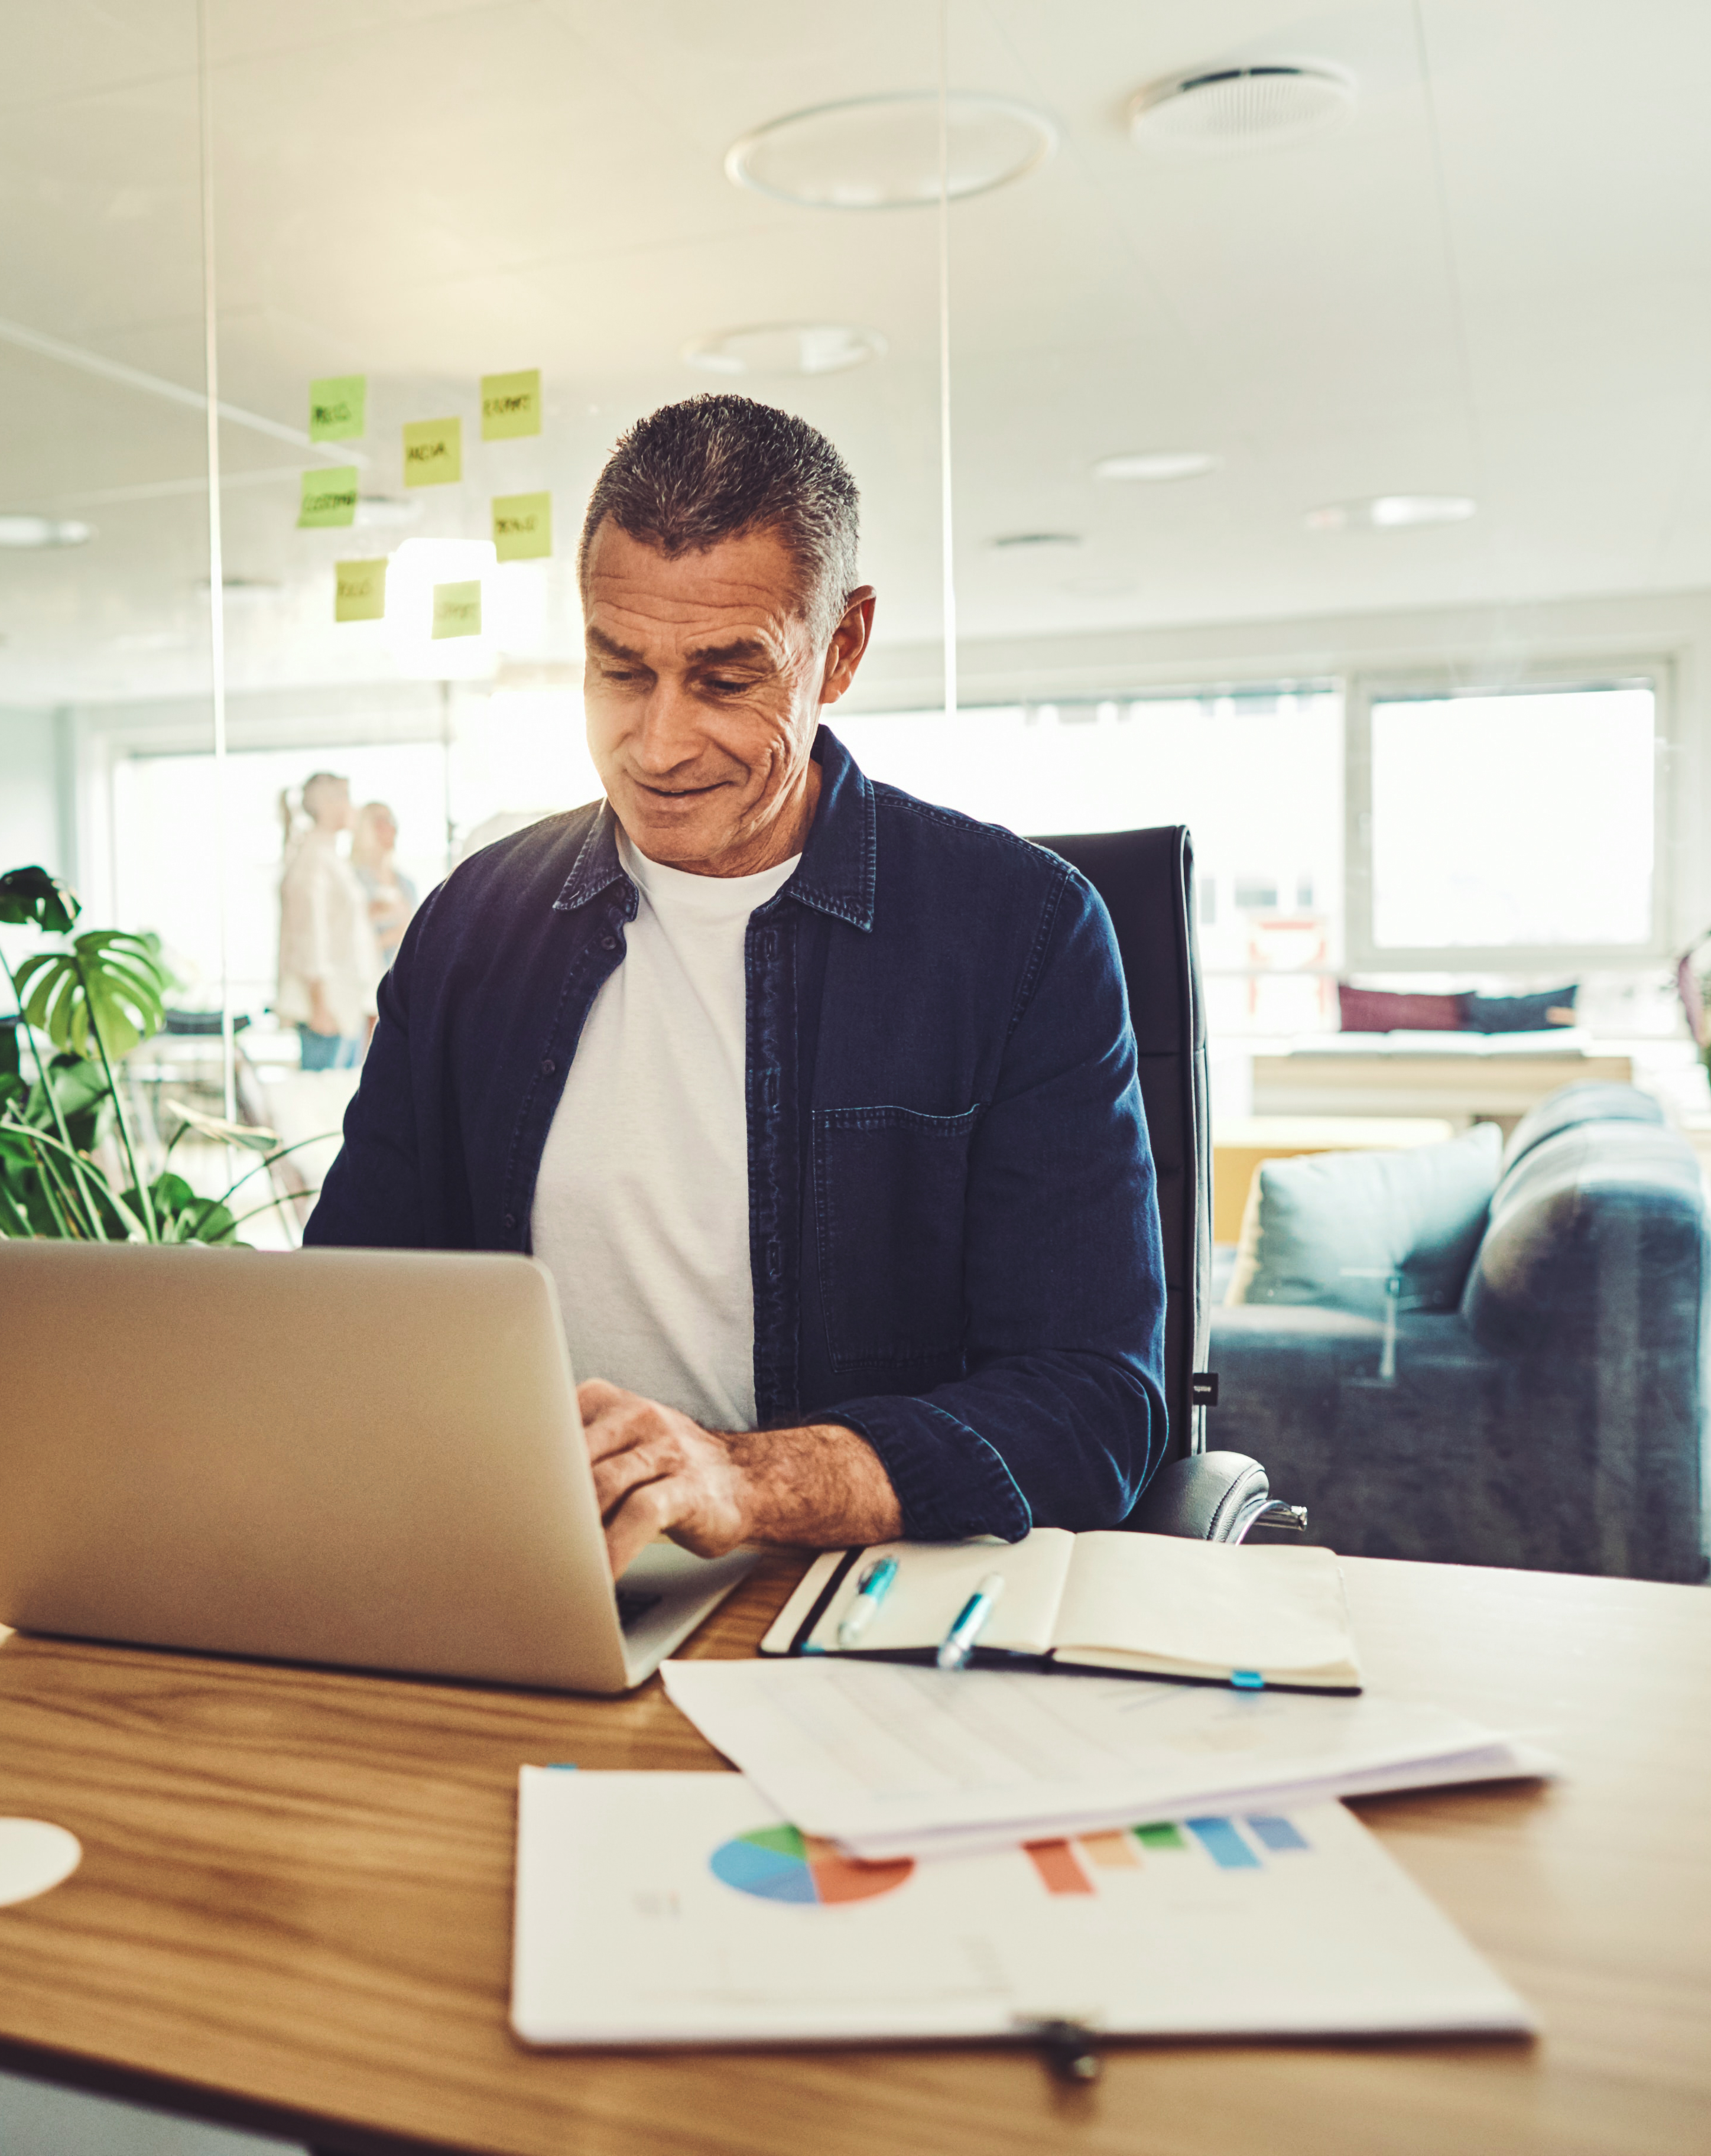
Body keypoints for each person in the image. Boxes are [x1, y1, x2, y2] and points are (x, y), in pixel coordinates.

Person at [307, 394, 1167, 1577]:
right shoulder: (472, 926)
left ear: (843, 647)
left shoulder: (1020, 932)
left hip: (853, 1596)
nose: (658, 745)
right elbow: (351, 1318)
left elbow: (1092, 1405)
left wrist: (743, 1480)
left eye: (725, 679)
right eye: (621, 672)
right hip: (530, 1576)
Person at [274, 771, 375, 1071]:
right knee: (321, 1102)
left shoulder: (330, 856)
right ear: (329, 805)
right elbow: (309, 935)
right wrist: (320, 1006)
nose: (353, 808)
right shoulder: (313, 858)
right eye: (346, 798)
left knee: (337, 1099)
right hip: (327, 1007)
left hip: (345, 1003)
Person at [349, 800, 420, 972]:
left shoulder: (407, 884)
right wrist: (391, 938)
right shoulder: (352, 881)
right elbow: (344, 948)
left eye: (391, 821)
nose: (389, 828)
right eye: (380, 822)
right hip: (368, 982)